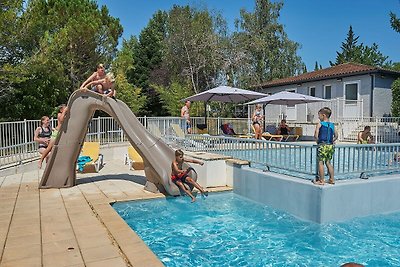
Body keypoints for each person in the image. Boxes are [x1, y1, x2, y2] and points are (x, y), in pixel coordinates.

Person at [38, 104, 69, 168]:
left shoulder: (66, 115)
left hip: (62, 133)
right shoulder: (59, 114)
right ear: (61, 110)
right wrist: (65, 111)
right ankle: (41, 160)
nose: (66, 108)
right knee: (49, 148)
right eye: (64, 108)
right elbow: (61, 120)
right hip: (57, 133)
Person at [313, 107, 338, 185]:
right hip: (330, 146)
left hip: (322, 145)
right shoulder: (332, 125)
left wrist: (318, 141)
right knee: (328, 162)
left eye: (319, 115)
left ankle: (321, 180)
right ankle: (332, 179)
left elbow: (316, 135)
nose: (318, 117)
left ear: (323, 115)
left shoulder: (320, 124)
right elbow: (336, 136)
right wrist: (331, 141)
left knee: (320, 163)